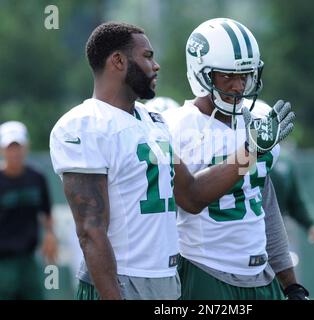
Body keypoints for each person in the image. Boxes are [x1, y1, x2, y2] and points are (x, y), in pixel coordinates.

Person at [49, 22, 294, 300]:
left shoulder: (153, 121)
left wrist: (250, 150)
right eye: (147, 56)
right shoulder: (84, 125)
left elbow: (192, 196)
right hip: (120, 281)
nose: (156, 66)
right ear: (117, 60)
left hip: (165, 281)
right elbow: (90, 232)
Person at [163, 18, 308, 300]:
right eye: (227, 76)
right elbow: (191, 199)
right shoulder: (175, 127)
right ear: (201, 74)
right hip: (205, 271)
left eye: (245, 76)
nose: (238, 86)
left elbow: (265, 206)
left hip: (261, 273)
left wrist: (290, 284)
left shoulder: (261, 119)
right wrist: (250, 151)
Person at [0, 121, 58, 300]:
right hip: (3, 262)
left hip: (29, 259)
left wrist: (50, 234)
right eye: (10, 147)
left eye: (19, 147)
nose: (15, 152)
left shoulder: (37, 178)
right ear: (2, 150)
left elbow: (46, 212)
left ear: (26, 147)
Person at [266, 145, 314, 252]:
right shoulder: (240, 151)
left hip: (274, 235)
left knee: (287, 266)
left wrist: (312, 224)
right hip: (243, 234)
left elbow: (295, 200)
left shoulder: (284, 159)